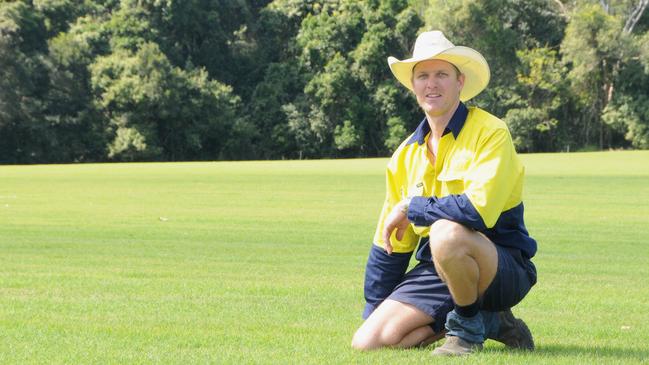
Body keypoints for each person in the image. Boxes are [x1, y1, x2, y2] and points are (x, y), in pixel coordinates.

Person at [351, 31, 538, 356]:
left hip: (501, 263)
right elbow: (390, 244)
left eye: (441, 74)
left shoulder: (491, 132)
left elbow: (478, 212)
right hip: (438, 267)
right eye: (422, 75)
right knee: (369, 342)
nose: (431, 84)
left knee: (446, 232)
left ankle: (467, 331)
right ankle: (488, 320)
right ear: (413, 85)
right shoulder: (405, 155)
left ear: (460, 81)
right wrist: (375, 310)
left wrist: (413, 207)